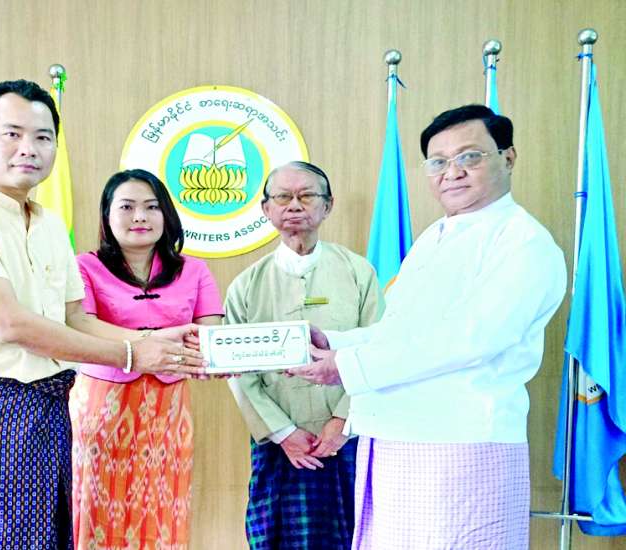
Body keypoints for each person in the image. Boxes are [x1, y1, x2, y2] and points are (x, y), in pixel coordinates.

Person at [0, 81, 204, 550]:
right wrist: (132, 355)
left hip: (50, 405)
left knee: (51, 537)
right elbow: (8, 324)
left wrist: (154, 342)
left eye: (43, 137)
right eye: (12, 134)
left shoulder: (48, 224)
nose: (29, 148)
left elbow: (75, 318)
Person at [293, 105, 567, 549]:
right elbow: (400, 329)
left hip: (459, 443)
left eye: (469, 157)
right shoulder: (434, 236)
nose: (452, 172)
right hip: (394, 436)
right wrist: (333, 342)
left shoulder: (525, 242)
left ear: (508, 157)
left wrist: (347, 365)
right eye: (438, 162)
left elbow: (471, 339)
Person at [225, 161, 384, 549]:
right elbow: (237, 371)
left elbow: (378, 348)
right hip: (280, 442)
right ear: (266, 209)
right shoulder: (246, 285)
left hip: (349, 436)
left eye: (307, 195)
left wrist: (342, 421)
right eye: (283, 197)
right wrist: (284, 433)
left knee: (355, 535)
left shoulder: (358, 272)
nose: (294, 205)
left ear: (327, 206)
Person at [69, 168, 224, 549]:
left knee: (162, 505)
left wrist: (216, 358)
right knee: (98, 503)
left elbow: (209, 335)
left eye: (151, 207)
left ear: (166, 215)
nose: (140, 216)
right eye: (127, 207)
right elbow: (81, 324)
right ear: (107, 216)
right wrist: (147, 343)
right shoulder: (84, 265)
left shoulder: (194, 269)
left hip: (169, 407)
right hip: (103, 404)